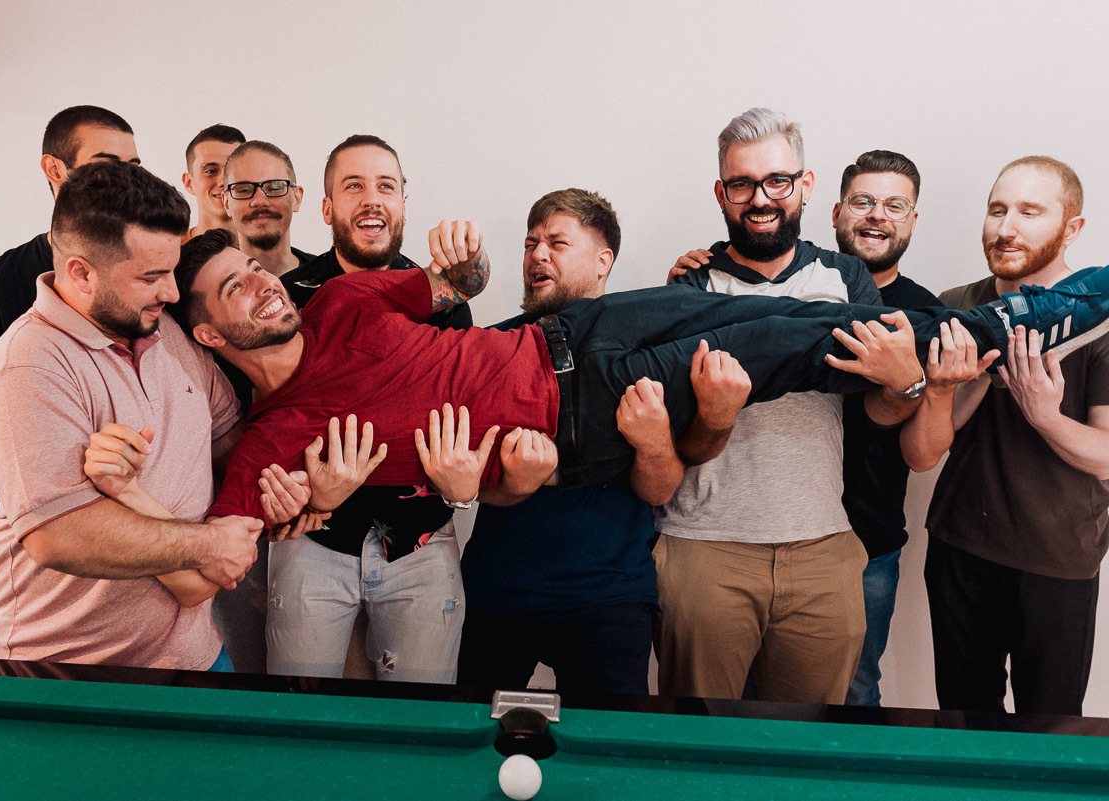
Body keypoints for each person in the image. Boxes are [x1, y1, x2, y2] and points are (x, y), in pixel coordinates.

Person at [167, 218, 1109, 534]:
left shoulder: (340, 301)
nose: (263, 282)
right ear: (207, 332)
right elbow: (214, 557)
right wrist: (305, 507)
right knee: (785, 351)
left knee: (791, 315)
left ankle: (990, 324)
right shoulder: (272, 443)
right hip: (581, 410)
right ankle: (1001, 325)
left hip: (575, 330)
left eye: (255, 267)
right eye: (233, 287)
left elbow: (456, 288)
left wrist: (464, 266)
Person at [656, 108, 925, 704]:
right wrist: (716, 414)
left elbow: (876, 412)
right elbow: (680, 440)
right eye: (742, 184)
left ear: (805, 186)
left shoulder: (847, 276)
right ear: (721, 194)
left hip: (823, 549)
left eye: (777, 181)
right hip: (704, 548)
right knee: (699, 738)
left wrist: (906, 384)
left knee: (810, 741)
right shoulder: (691, 286)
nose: (761, 199)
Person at [0, 160, 264, 669]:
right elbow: (58, 535)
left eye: (171, 270)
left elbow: (228, 440)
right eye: (151, 277)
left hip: (196, 651)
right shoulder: (27, 367)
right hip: (71, 670)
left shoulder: (163, 328)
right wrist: (206, 545)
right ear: (80, 273)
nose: (172, 293)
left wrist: (288, 488)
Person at [456, 188, 745, 695]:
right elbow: (463, 477)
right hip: (496, 592)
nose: (538, 255)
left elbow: (660, 489)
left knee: (609, 742)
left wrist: (653, 442)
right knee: (473, 735)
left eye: (557, 243)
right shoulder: (492, 347)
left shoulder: (651, 353)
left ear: (603, 261)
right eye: (530, 243)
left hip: (609, 597)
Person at [266, 136, 473, 682]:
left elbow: (460, 420)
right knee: (297, 709)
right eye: (353, 186)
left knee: (423, 717)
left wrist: (463, 489)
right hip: (310, 536)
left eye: (386, 186)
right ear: (327, 207)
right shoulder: (284, 299)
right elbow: (261, 419)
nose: (371, 198)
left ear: (403, 202)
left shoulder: (447, 301)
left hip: (421, 542)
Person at [925, 155, 1109, 716]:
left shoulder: (1101, 319)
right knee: (964, 726)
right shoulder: (956, 306)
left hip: (1059, 560)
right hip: (959, 549)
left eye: (1030, 212)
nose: (1006, 228)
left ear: (1071, 228)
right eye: (997, 209)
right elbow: (925, 442)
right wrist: (977, 373)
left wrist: (1045, 415)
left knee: (1049, 735)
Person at [831, 150, 993, 706]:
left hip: (868, 545)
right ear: (836, 212)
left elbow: (922, 456)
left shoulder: (929, 316)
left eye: (895, 205)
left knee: (856, 692)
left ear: (913, 220)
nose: (878, 215)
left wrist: (939, 387)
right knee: (750, 700)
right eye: (863, 201)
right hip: (771, 536)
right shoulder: (793, 288)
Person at [0, 105, 139, 532]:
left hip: (148, 515)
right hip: (41, 523)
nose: (124, 180)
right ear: (55, 169)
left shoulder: (157, 277)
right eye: (105, 164)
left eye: (132, 167)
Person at [222, 140, 315, 277]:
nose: (260, 201)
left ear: (297, 198)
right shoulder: (207, 285)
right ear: (226, 203)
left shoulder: (330, 278)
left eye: (274, 187)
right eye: (243, 190)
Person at [182, 124, 246, 241]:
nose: (223, 182)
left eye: (233, 170)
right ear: (189, 183)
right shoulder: (169, 248)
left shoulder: (272, 249)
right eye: (210, 171)